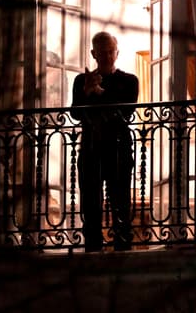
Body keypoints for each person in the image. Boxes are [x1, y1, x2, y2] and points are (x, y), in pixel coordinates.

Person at [71, 31, 140, 252]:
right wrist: (86, 91)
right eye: (102, 52)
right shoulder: (81, 81)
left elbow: (126, 112)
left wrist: (99, 92)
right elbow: (75, 113)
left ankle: (123, 248)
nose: (108, 56)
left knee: (121, 201)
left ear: (117, 52)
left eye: (111, 51)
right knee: (90, 202)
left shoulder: (129, 80)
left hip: (119, 148)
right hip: (91, 147)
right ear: (94, 54)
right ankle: (92, 249)